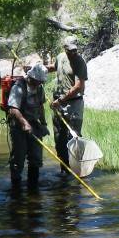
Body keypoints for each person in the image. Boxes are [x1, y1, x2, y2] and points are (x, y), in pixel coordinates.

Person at [47, 36, 88, 175]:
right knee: (59, 138)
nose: (73, 53)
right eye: (70, 50)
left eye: (75, 50)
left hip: (73, 105)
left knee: (74, 138)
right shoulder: (60, 57)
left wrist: (61, 100)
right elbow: (55, 67)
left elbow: (78, 86)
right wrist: (42, 69)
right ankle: (64, 170)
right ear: (64, 48)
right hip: (58, 104)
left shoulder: (80, 62)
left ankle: (77, 171)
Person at [7, 63, 49, 188]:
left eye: (41, 81)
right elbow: (13, 109)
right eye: (38, 81)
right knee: (18, 159)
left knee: (36, 158)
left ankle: (33, 186)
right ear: (32, 77)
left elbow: (41, 107)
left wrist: (44, 124)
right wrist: (24, 123)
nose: (40, 83)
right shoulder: (18, 87)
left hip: (34, 125)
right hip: (18, 126)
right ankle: (16, 187)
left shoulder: (40, 88)